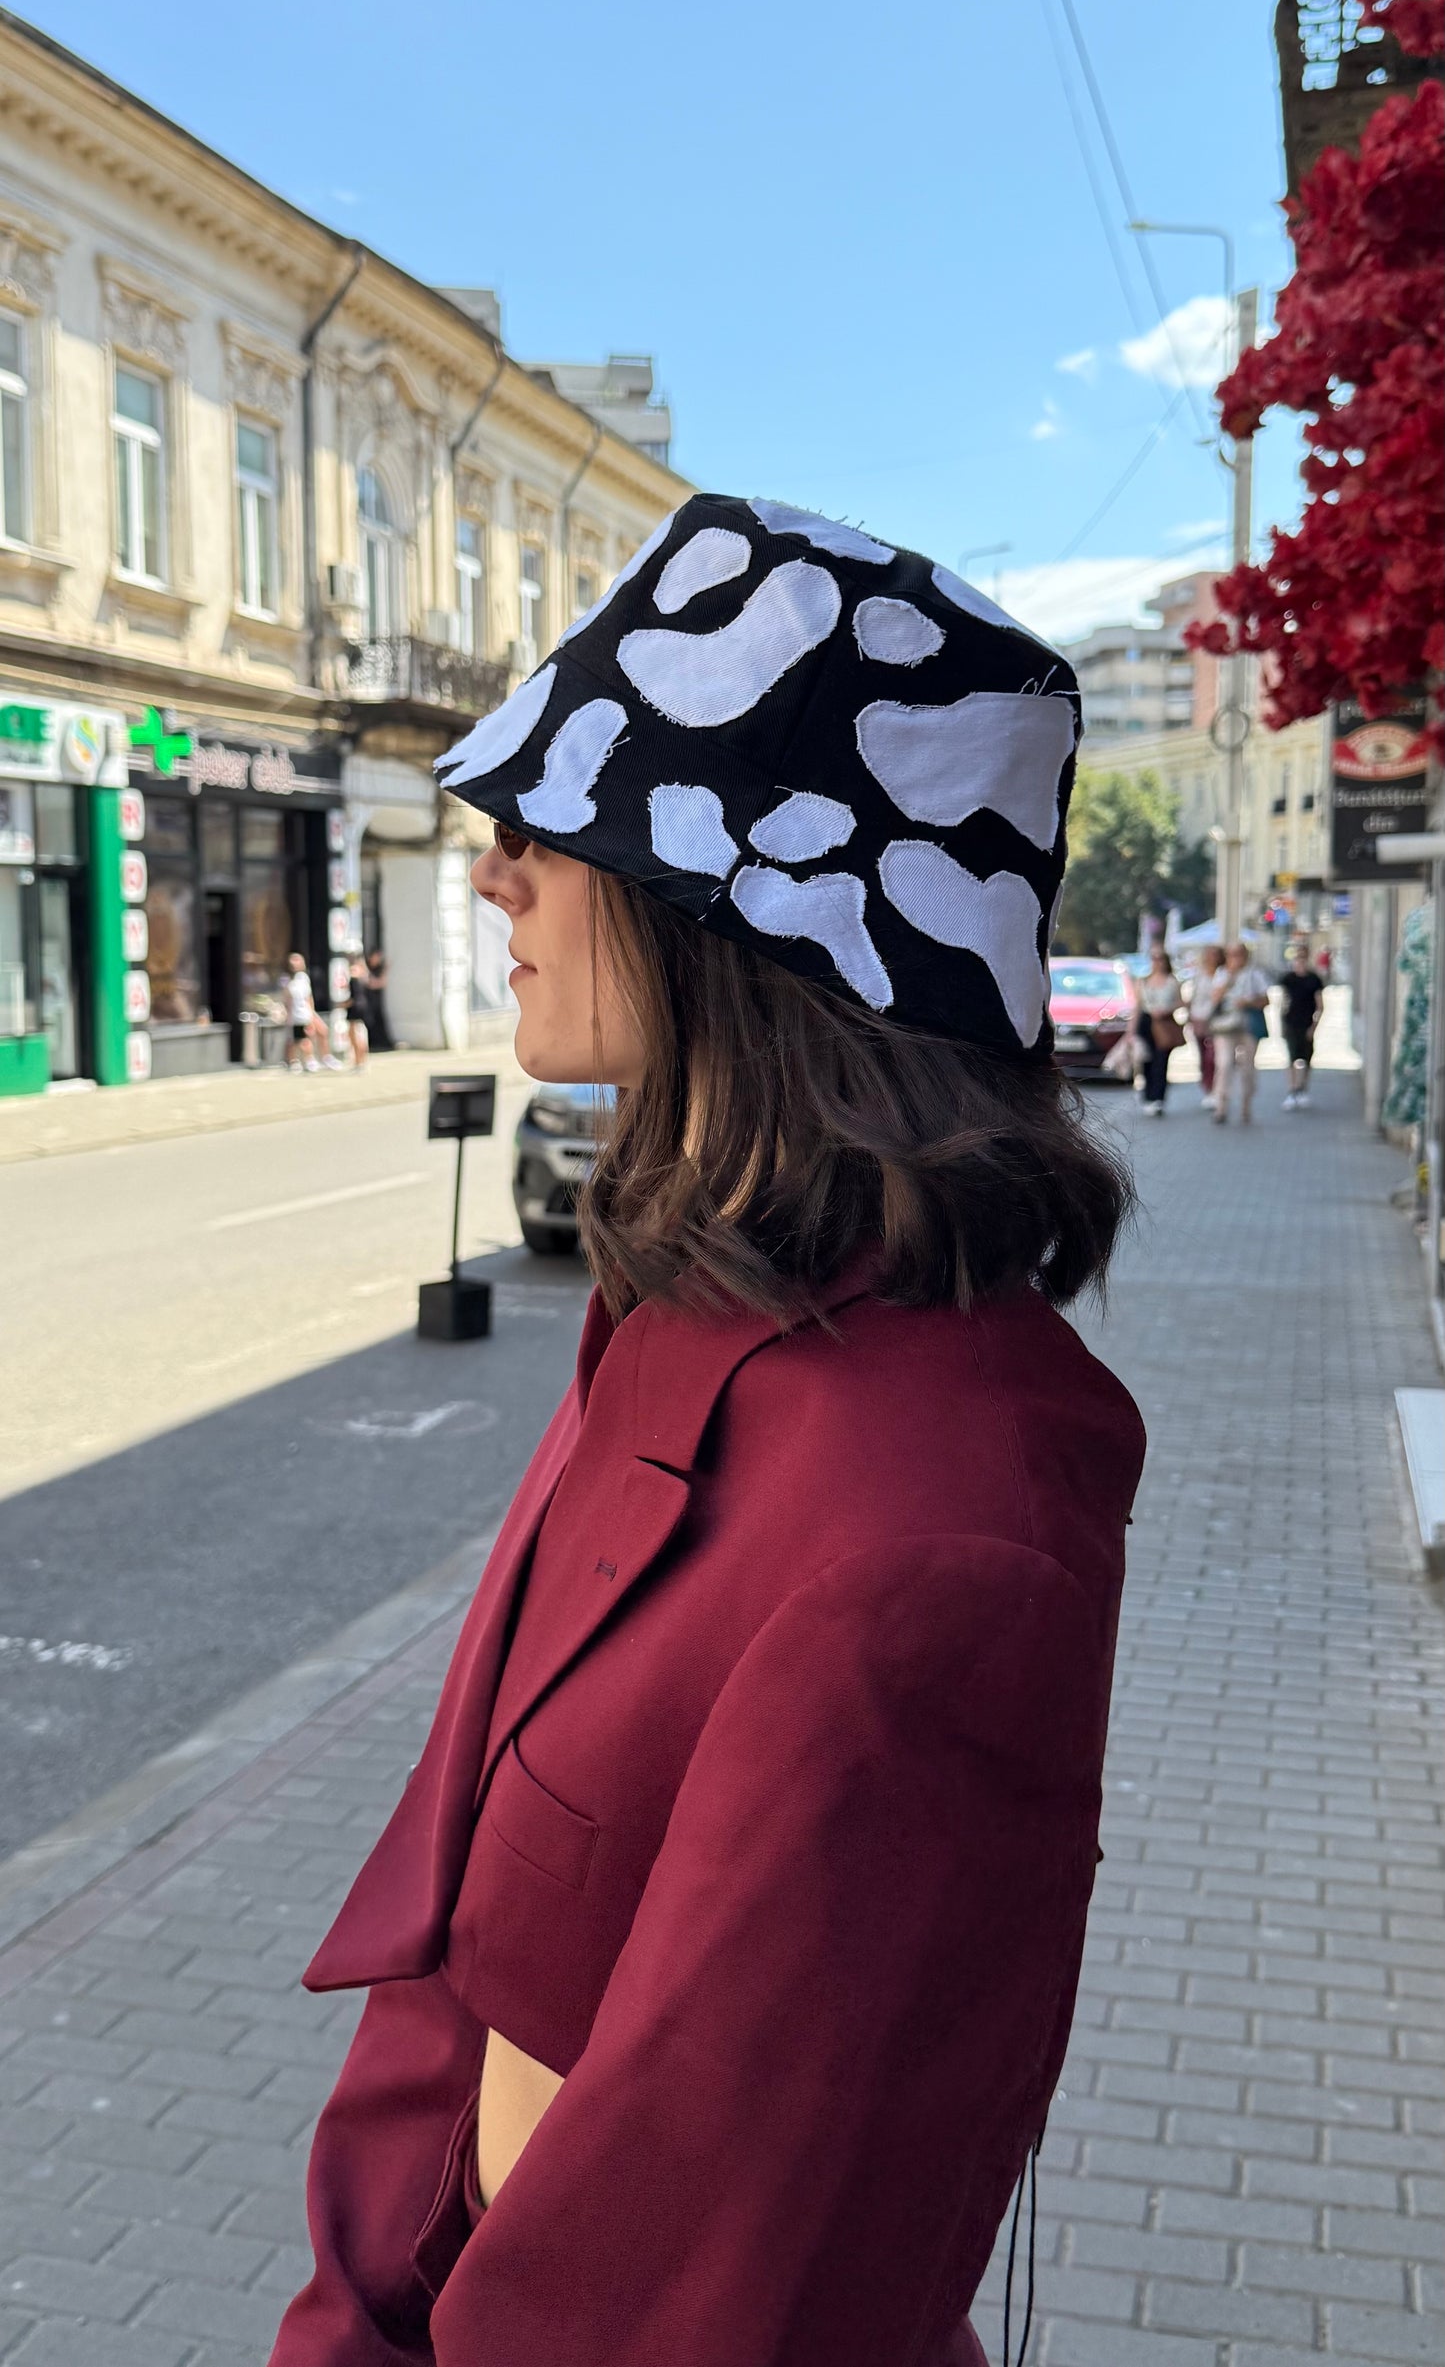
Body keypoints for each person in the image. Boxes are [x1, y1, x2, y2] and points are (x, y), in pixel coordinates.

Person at [269, 494, 1145, 2367]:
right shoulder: (676, 1327)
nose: (494, 869)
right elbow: (464, 1966)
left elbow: (703, 2289)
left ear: (747, 907)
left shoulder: (937, 1525)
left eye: (558, 823)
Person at [1209, 938, 1271, 1124]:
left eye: (1239, 954)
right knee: (1224, 1064)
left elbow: (1266, 1000)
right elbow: (1214, 998)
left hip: (1248, 1025)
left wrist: (1248, 1002)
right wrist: (1230, 978)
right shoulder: (1221, 974)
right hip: (1225, 1025)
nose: (1235, 958)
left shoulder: (1255, 974)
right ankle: (1221, 1105)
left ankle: (1246, 1105)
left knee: (1247, 1067)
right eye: (1231, 954)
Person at [1136, 943, 1183, 1116]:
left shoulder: (1172, 981)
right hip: (1146, 1021)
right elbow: (1137, 1006)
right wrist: (1130, 1032)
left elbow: (1181, 1001)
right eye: (1153, 958)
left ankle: (1158, 1098)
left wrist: (1167, 1009)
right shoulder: (1143, 981)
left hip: (1164, 1022)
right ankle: (1147, 1096)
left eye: (1160, 958)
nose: (1157, 962)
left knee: (1161, 1060)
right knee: (1146, 1060)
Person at [1278, 941, 1324, 1110]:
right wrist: (1280, 1023)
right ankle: (1292, 1090)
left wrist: (1314, 1026)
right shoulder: (1288, 979)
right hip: (1291, 1022)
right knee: (1291, 1057)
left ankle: (1302, 1087)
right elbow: (1282, 1001)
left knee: (1306, 1057)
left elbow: (1320, 1005)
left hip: (1307, 1022)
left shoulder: (1313, 979)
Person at [282, 952, 336, 1073]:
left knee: (322, 1031)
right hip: (297, 1015)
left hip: (307, 1013)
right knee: (300, 1039)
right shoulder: (287, 980)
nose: (295, 963)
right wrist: (288, 1015)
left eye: (297, 960)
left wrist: (312, 1013)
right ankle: (299, 1061)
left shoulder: (303, 978)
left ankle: (325, 1058)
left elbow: (308, 997)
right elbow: (287, 999)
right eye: (293, 961)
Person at [1186, 942, 1225, 1105]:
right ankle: (1207, 1087)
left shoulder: (1223, 974)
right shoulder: (1199, 974)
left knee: (1214, 1056)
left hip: (1217, 1020)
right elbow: (1193, 996)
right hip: (1199, 1017)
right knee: (1203, 1056)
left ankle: (1217, 1088)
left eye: (1215, 954)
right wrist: (1190, 1017)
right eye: (1209, 954)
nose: (1212, 958)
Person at [364, 946, 395, 1052]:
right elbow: (372, 983)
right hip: (367, 1001)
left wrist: (385, 970)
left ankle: (381, 1043)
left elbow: (382, 983)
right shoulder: (366, 968)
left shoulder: (378, 969)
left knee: (379, 1021)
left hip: (376, 1001)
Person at [346, 955, 371, 1070]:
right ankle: (361, 1061)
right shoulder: (363, 976)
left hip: (354, 1009)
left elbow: (354, 997)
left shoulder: (354, 978)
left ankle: (358, 1062)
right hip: (362, 1008)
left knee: (354, 1036)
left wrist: (342, 1004)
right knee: (360, 1036)